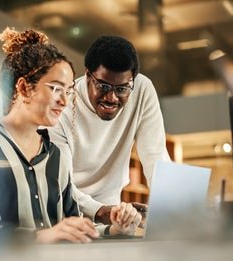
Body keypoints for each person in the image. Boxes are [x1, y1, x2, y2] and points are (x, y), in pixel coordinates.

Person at [0, 28, 139, 244]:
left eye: (68, 91)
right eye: (56, 89)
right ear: (24, 88)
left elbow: (73, 226)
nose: (64, 101)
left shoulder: (58, 156)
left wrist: (114, 230)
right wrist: (41, 237)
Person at [48, 35, 171, 225]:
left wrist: (177, 211)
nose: (111, 97)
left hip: (112, 217)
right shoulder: (62, 107)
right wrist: (99, 210)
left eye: (122, 89)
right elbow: (59, 184)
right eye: (103, 86)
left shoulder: (142, 90)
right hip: (66, 218)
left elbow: (156, 157)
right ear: (88, 75)